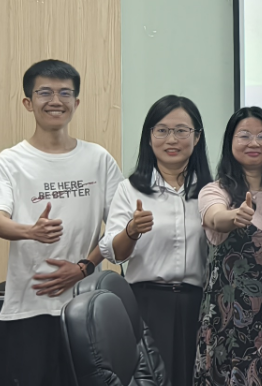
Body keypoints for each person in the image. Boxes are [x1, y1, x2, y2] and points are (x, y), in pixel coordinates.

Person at [0, 59, 123, 386]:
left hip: (87, 305)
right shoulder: (8, 162)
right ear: (28, 102)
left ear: (76, 102)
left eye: (64, 93)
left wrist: (85, 266)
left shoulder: (98, 159)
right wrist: (30, 231)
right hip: (29, 306)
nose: (55, 101)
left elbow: (118, 228)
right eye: (45, 92)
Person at [99, 95, 212, 386]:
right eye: (162, 130)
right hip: (146, 304)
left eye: (181, 130)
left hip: (198, 305)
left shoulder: (211, 192)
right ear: (149, 138)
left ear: (197, 137)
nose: (171, 139)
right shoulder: (130, 189)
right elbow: (113, 252)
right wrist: (131, 231)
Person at [195, 107, 262, 386]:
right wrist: (234, 217)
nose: (254, 143)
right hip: (229, 328)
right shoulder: (216, 191)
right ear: (230, 142)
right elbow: (215, 217)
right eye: (244, 136)